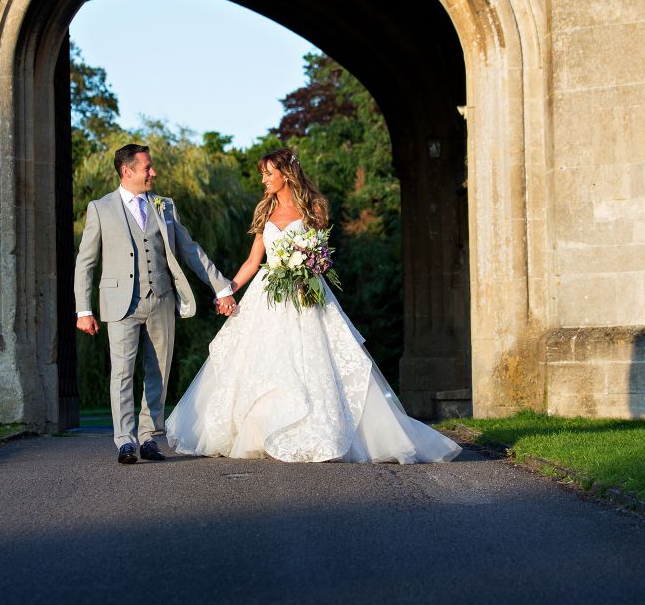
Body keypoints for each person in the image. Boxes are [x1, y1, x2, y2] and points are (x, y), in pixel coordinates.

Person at [165, 148, 461, 464]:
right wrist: (227, 290)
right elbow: (254, 261)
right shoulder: (265, 212)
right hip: (269, 295)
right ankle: (261, 432)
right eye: (262, 174)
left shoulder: (314, 210)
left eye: (268, 173)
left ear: (286, 174)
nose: (264, 179)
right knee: (265, 362)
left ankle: (317, 431)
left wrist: (309, 267)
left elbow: (320, 255)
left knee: (312, 362)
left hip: (305, 294)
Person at [74, 143, 238, 465]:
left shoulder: (165, 206)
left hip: (161, 300)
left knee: (159, 372)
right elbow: (86, 262)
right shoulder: (101, 208)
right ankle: (125, 440)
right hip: (122, 304)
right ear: (127, 171)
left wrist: (221, 288)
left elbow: (191, 249)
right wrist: (84, 309)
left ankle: (150, 437)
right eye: (147, 167)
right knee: (122, 373)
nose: (154, 173)